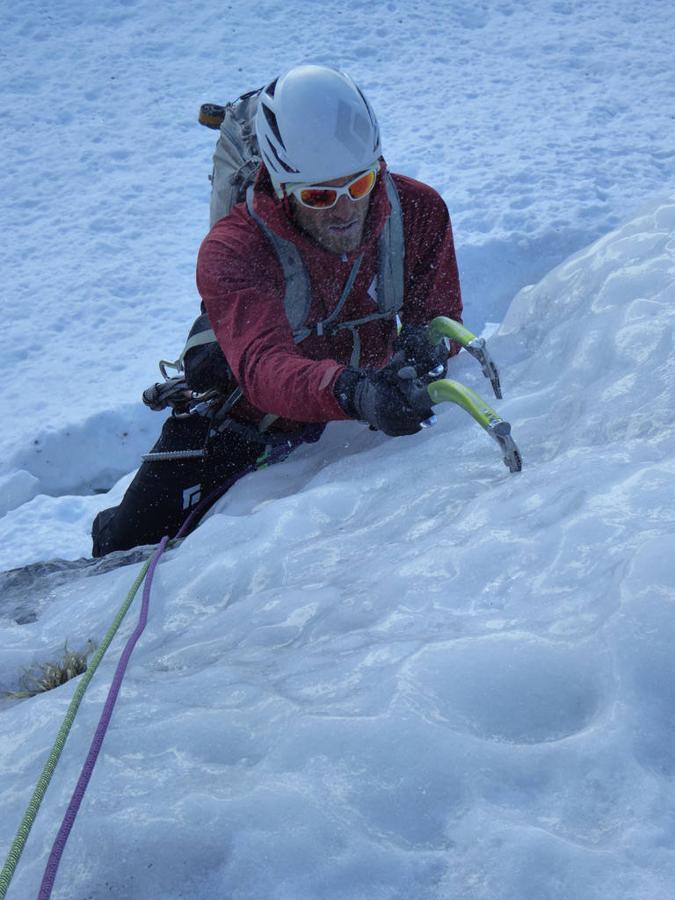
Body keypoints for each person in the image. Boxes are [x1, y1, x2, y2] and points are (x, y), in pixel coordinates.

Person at [91, 64, 463, 557]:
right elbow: (263, 368)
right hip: (244, 423)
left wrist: (426, 348)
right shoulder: (233, 251)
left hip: (366, 404)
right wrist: (353, 391)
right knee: (125, 547)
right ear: (281, 187)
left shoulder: (417, 211)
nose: (346, 209)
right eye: (318, 195)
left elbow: (441, 320)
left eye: (359, 184)